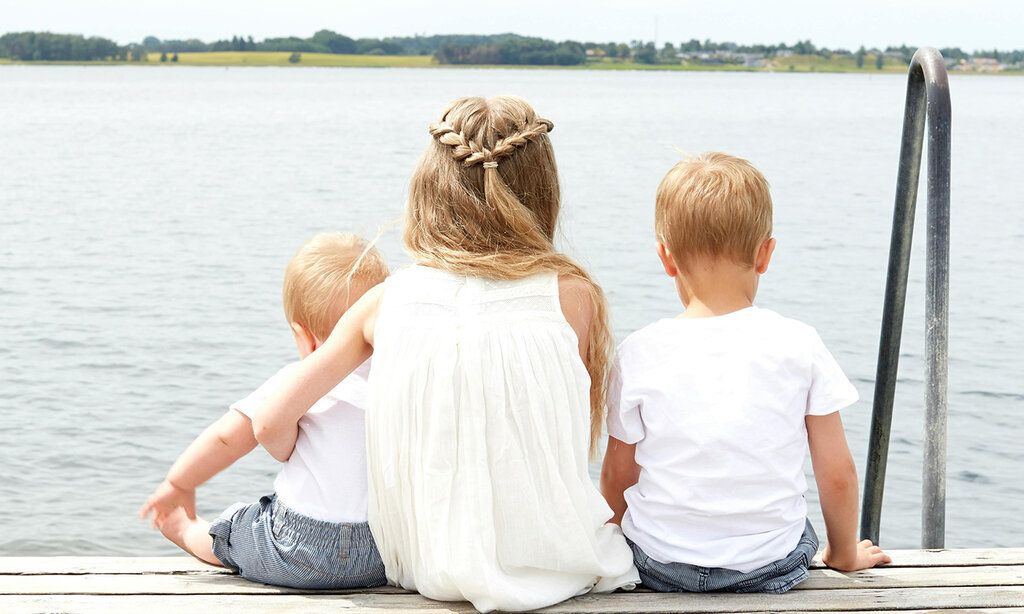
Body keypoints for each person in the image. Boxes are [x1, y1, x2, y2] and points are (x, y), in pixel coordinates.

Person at [252, 96, 638, 612]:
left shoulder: (386, 301)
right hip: (557, 566)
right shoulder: (572, 297)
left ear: (429, 188)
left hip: (427, 567)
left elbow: (270, 419)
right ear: (545, 191)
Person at [600, 153, 891, 594]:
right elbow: (836, 473)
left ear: (666, 257)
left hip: (662, 564)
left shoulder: (638, 351)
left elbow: (618, 476)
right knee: (800, 530)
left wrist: (613, 549)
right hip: (767, 565)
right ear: (765, 254)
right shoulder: (798, 343)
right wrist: (844, 553)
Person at [139, 233, 389, 590]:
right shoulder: (396, 382)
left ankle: (187, 531)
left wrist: (180, 483)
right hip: (380, 553)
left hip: (296, 549)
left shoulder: (295, 382)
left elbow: (227, 438)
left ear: (303, 336)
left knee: (240, 533)